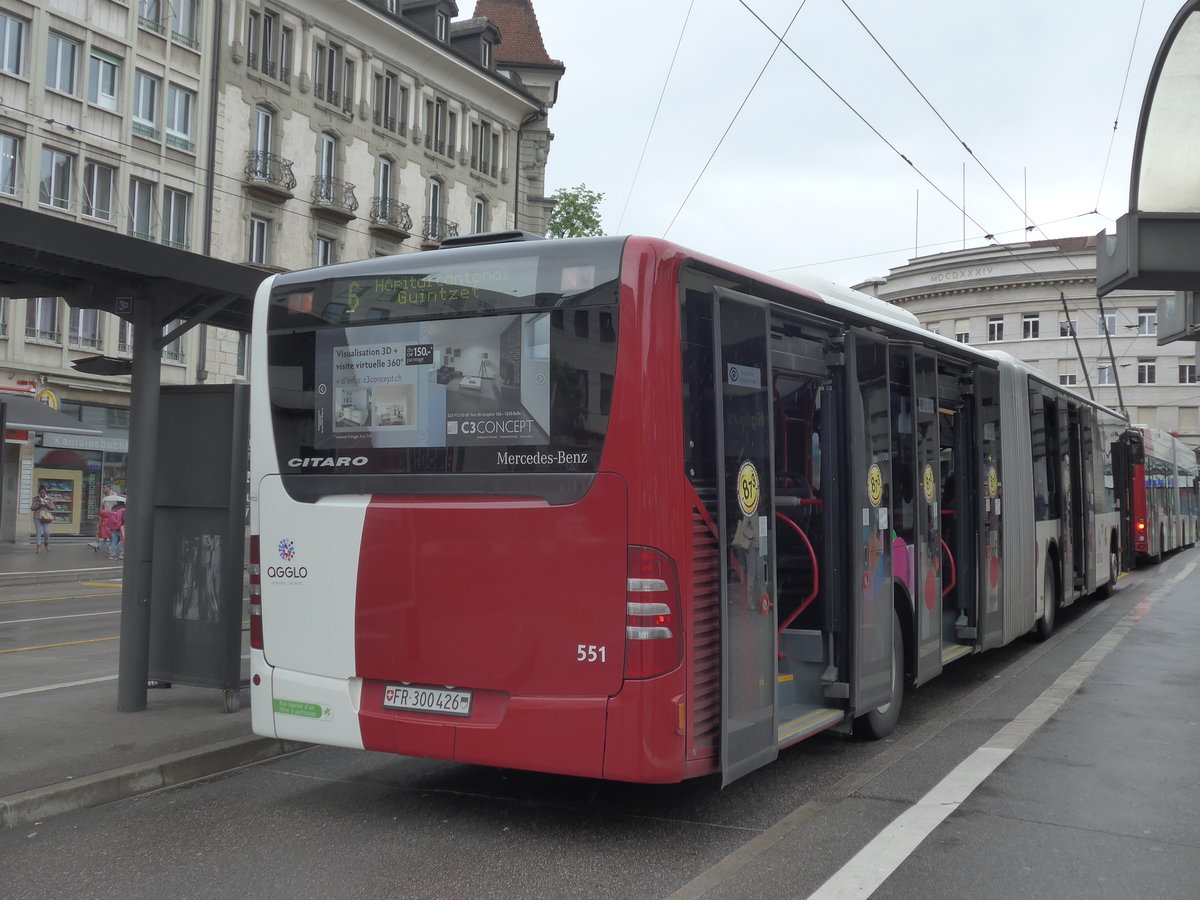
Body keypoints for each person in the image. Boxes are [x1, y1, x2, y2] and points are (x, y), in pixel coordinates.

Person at [30, 487, 56, 553]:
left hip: (46, 517)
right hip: (37, 517)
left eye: (43, 492)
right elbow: (32, 508)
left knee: (46, 532)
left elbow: (52, 508)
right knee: (38, 531)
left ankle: (46, 543)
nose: (42, 494)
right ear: (38, 492)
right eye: (40, 492)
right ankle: (38, 546)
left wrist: (46, 504)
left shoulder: (49, 499)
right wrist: (39, 505)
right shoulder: (36, 499)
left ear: (45, 492)